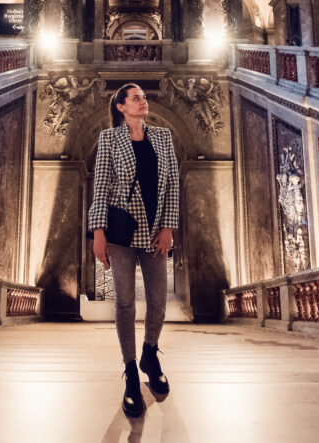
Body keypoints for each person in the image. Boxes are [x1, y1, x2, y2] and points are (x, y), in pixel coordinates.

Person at [88, 83, 179, 418]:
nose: (144, 101)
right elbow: (100, 186)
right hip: (121, 233)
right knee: (125, 303)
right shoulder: (109, 139)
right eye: (136, 98)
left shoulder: (164, 138)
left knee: (158, 300)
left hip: (155, 232)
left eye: (144, 97)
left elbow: (172, 185)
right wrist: (98, 233)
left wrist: (169, 227)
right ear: (121, 107)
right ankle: (130, 373)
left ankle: (150, 352)